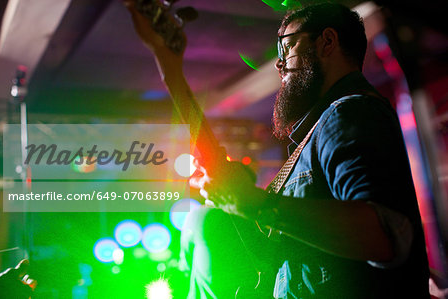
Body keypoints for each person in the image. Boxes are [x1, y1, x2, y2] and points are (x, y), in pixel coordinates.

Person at [125, 2, 430, 298]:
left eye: (287, 46)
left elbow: (386, 235)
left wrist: (254, 203)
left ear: (327, 41)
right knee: (206, 221)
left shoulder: (348, 112)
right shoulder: (320, 131)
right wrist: (171, 70)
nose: (279, 62)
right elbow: (263, 241)